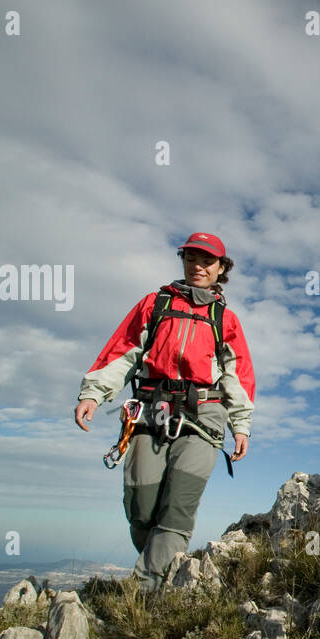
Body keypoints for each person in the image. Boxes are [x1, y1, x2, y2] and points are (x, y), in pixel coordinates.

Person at [74, 232, 255, 592]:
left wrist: (241, 426)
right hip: (149, 413)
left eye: (207, 260)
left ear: (222, 269)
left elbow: (238, 375)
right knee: (141, 509)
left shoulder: (225, 319)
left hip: (204, 417)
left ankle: (148, 595)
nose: (198, 266)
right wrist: (94, 393)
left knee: (176, 509)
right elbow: (124, 351)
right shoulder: (153, 305)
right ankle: (165, 570)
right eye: (191, 258)